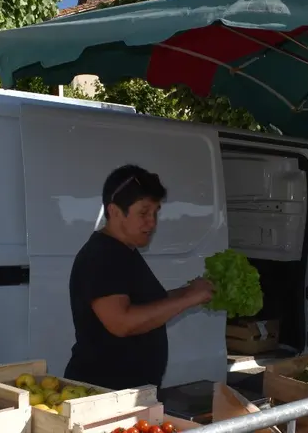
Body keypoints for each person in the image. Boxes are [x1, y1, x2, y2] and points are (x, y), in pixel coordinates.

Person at [64, 164, 214, 390]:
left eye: (155, 212)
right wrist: (187, 299)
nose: (152, 222)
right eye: (143, 212)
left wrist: (189, 292)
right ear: (114, 211)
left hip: (128, 390)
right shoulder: (102, 256)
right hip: (103, 391)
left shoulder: (124, 250)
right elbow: (121, 322)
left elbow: (147, 304)